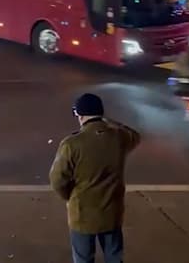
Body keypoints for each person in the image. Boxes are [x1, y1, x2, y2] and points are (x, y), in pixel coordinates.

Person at [50, 93, 141, 263]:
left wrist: (69, 196)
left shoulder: (72, 144)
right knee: (114, 257)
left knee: (83, 258)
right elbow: (135, 136)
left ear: (81, 116)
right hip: (112, 214)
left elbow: (57, 180)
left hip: (82, 215)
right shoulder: (119, 138)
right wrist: (111, 123)